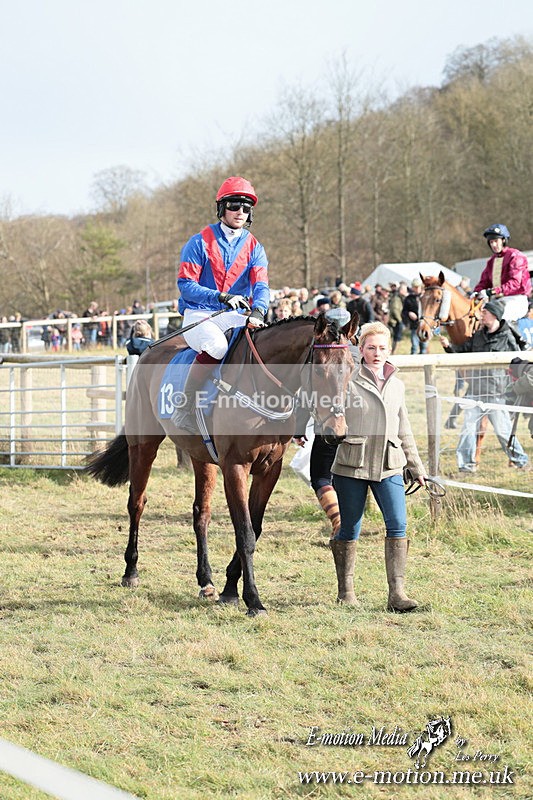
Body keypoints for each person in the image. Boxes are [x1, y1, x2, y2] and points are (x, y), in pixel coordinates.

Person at [330, 321, 427, 611]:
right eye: (371, 347)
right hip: (352, 465)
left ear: (389, 350)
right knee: (350, 528)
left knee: (398, 524)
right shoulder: (346, 380)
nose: (377, 353)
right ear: (361, 349)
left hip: (389, 464)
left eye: (382, 348)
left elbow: (404, 427)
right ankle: (346, 592)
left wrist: (417, 467)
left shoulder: (397, 384)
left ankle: (397, 594)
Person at [173, 177, 269, 432]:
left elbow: (261, 285)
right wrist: (221, 297)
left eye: (246, 207)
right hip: (199, 314)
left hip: (233, 315)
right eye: (234, 205)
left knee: (267, 341)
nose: (240, 212)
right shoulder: (198, 242)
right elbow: (186, 285)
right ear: (222, 208)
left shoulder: (255, 247)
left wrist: (259, 309)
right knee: (217, 346)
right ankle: (185, 406)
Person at [439, 300, 529, 472]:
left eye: (485, 313)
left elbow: (518, 361)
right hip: (475, 391)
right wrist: (448, 346)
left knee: (503, 432)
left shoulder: (508, 337)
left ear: (494, 315)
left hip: (497, 394)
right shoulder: (478, 335)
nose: (481, 315)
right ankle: (466, 467)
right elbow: (462, 351)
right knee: (468, 430)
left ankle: (522, 462)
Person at [472, 224, 531, 321]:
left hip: (516, 299)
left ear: (503, 240)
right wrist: (476, 292)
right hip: (498, 300)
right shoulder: (491, 261)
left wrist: (491, 291)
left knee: (498, 318)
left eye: (496, 241)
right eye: (491, 242)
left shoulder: (515, 256)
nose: (493, 245)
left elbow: (515, 283)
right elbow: (484, 282)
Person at [402, 277, 427, 354]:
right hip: (414, 325)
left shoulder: (426, 297)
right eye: (414, 287)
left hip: (425, 325)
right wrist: (409, 313)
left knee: (424, 347)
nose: (416, 289)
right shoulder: (409, 298)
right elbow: (404, 311)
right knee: (414, 347)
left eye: (417, 287)